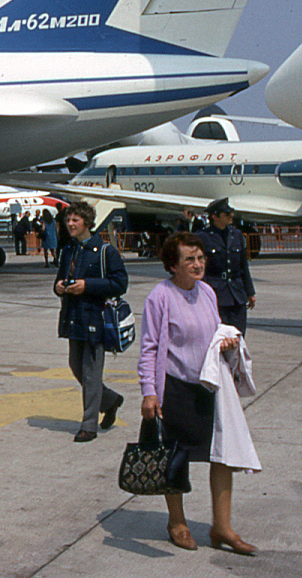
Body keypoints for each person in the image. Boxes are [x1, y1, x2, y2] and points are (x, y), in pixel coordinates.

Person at [139, 232, 258, 555]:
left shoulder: (207, 292)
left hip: (209, 387)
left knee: (221, 456)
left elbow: (214, 331)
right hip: (175, 388)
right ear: (172, 264)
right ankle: (177, 522)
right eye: (189, 259)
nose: (198, 264)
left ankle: (222, 528)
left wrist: (227, 342)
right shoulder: (160, 296)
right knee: (175, 459)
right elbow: (149, 348)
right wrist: (149, 392)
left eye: (201, 258)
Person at [53, 200, 128, 443]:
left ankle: (88, 425)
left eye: (75, 220)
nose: (70, 224)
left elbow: (120, 284)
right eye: (68, 220)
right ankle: (110, 400)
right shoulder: (68, 250)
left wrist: (87, 286)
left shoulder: (105, 251)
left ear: (87, 222)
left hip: (95, 318)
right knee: (76, 366)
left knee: (91, 373)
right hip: (73, 318)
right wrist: (59, 287)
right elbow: (60, 279)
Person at [198, 199, 256, 332]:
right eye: (226, 213)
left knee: (238, 336)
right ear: (215, 216)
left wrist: (249, 292)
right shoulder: (203, 237)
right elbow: (201, 269)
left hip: (237, 294)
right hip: (217, 293)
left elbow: (243, 266)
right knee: (220, 337)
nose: (231, 216)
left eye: (231, 212)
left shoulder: (236, 235)